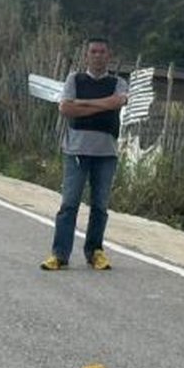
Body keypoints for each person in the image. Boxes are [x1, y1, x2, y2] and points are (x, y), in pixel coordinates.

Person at [40, 37, 129, 271]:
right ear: (86, 55)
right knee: (69, 203)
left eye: (102, 51)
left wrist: (84, 104)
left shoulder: (118, 82)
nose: (97, 55)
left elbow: (118, 102)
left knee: (100, 206)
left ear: (109, 56)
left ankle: (95, 252)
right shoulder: (74, 79)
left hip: (106, 153)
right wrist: (103, 104)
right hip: (76, 150)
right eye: (93, 51)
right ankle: (59, 254)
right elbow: (66, 108)